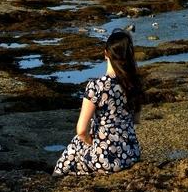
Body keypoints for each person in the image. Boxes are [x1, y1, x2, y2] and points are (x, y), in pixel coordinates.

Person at [53, 28, 143, 175]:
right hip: (131, 153)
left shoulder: (97, 86)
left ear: (106, 53)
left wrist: (92, 142)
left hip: (106, 157)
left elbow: (81, 130)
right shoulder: (134, 84)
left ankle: (55, 180)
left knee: (76, 144)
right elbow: (136, 120)